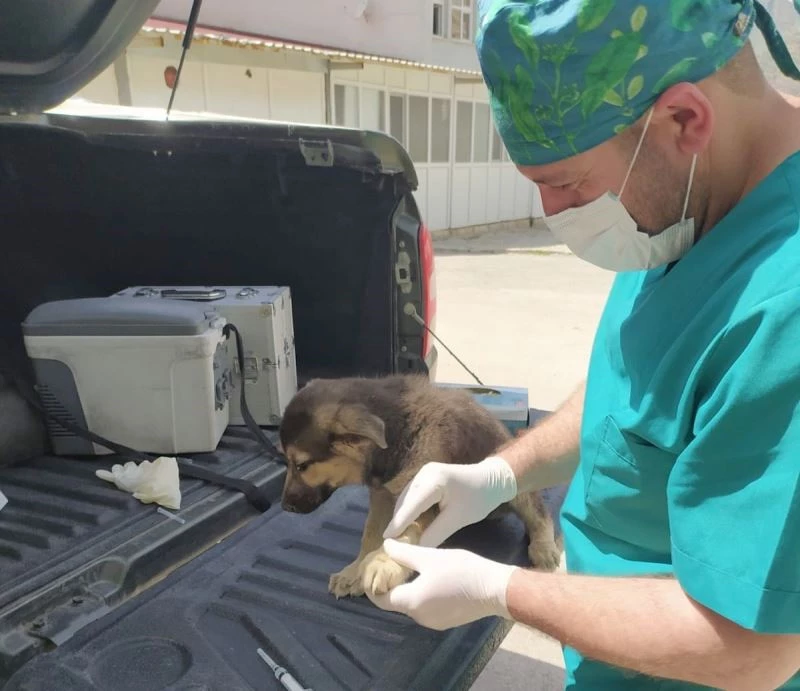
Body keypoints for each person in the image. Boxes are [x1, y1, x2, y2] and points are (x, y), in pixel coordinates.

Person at [367, 1, 800, 689]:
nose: (555, 215)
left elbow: (750, 647)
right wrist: (496, 476)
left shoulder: (785, 309)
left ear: (685, 120)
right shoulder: (693, 201)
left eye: (567, 183)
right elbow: (630, 388)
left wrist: (502, 590)